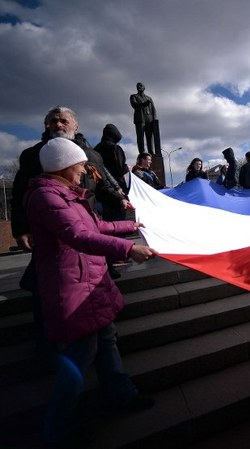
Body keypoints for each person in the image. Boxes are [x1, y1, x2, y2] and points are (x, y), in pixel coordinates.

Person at [24, 137, 158, 447]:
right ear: (65, 165)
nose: (85, 170)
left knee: (107, 343)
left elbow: (97, 226)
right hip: (71, 287)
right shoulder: (47, 197)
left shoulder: (69, 195)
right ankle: (61, 427)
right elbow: (79, 236)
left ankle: (120, 395)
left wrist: (134, 226)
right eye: (82, 165)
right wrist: (129, 249)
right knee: (80, 356)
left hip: (89, 281)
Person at [11, 106, 132, 347]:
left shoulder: (92, 155)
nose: (58, 124)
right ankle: (51, 337)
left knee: (96, 282)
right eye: (53, 120)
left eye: (63, 120)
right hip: (55, 236)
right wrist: (21, 228)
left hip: (91, 227)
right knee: (52, 286)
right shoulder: (32, 155)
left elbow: (103, 184)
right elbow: (19, 193)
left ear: (75, 126)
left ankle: (103, 332)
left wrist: (119, 199)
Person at [93, 123, 130, 221]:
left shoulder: (95, 149)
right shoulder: (115, 148)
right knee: (119, 222)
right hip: (117, 189)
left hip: (101, 191)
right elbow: (121, 168)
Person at [130, 82, 158, 155]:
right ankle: (142, 152)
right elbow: (135, 105)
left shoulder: (149, 98)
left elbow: (153, 109)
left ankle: (151, 151)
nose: (139, 87)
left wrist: (154, 120)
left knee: (149, 137)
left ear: (144, 88)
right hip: (140, 119)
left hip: (150, 119)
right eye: (137, 86)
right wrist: (144, 104)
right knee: (140, 137)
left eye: (140, 86)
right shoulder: (133, 96)